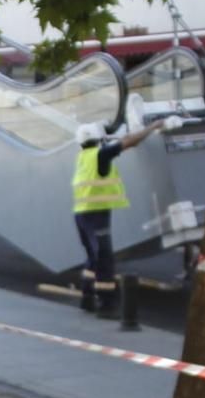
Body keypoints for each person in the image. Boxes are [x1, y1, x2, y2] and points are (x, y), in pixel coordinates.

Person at [73, 116, 176, 318]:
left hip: (82, 214)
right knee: (104, 259)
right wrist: (153, 127)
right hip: (97, 215)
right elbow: (130, 142)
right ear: (99, 139)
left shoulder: (84, 156)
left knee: (93, 258)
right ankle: (106, 303)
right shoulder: (101, 155)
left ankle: (87, 297)